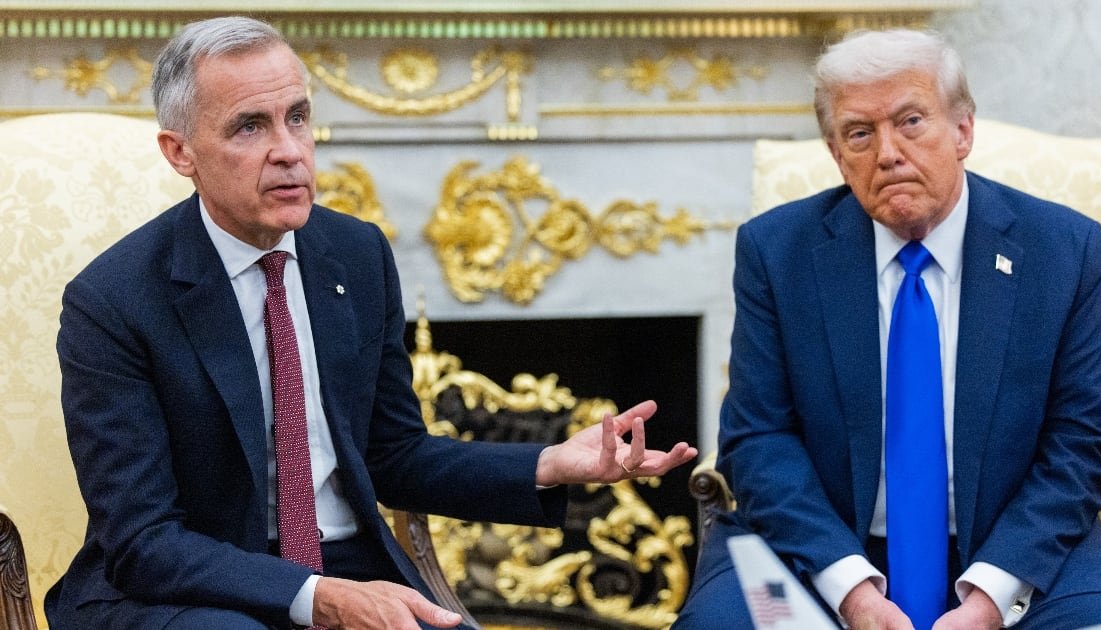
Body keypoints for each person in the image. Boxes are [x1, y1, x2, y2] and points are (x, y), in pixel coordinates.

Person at [45, 16, 696, 630]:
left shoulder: (355, 254)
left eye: (298, 117)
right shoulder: (114, 302)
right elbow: (144, 542)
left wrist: (550, 463)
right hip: (188, 587)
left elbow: (393, 453)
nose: (289, 152)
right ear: (180, 152)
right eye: (249, 128)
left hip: (346, 561)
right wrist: (320, 599)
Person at [675, 29, 1101, 630]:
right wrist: (851, 590)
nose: (887, 153)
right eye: (859, 133)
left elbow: (1084, 439)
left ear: (963, 131)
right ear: (836, 154)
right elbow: (758, 438)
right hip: (815, 548)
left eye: (910, 121)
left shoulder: (1061, 249)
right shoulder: (777, 251)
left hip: (1019, 550)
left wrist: (990, 596)